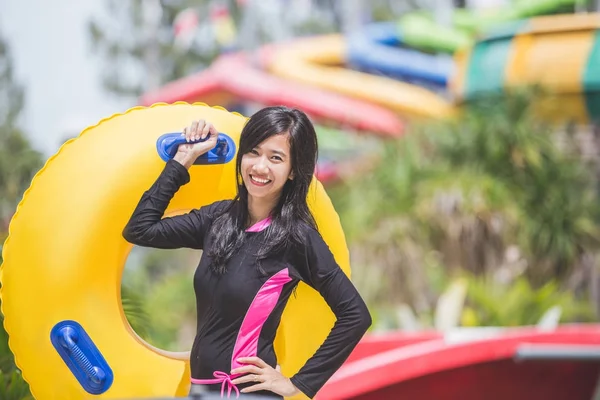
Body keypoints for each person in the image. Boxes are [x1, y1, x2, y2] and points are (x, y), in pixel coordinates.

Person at [123, 106, 372, 399]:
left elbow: (355, 315)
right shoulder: (218, 219)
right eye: (253, 152)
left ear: (293, 171)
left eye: (275, 158)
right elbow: (140, 229)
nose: (260, 167)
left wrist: (298, 383)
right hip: (200, 390)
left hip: (248, 394)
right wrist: (183, 158)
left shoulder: (297, 238)